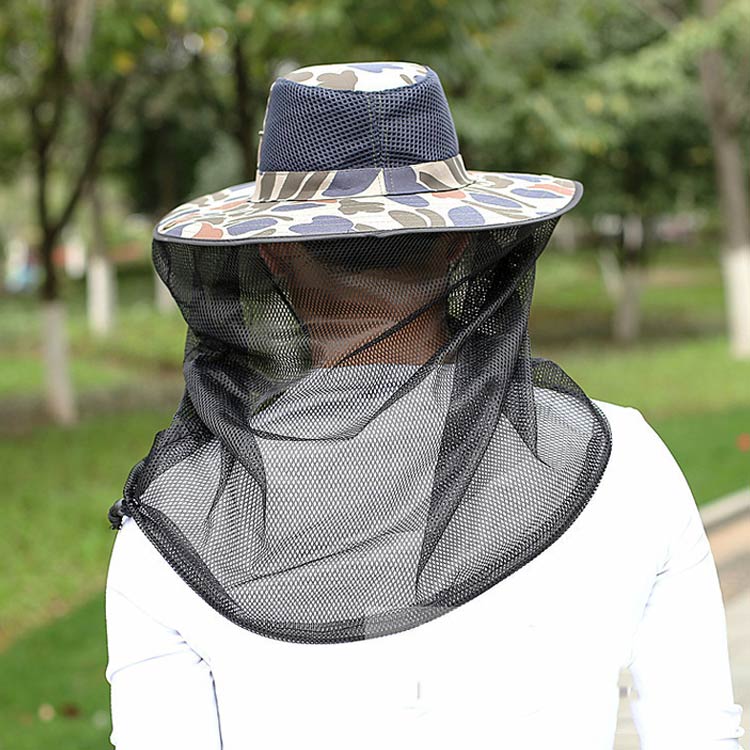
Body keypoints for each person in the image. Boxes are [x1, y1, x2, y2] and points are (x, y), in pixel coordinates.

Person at [104, 61, 745, 749]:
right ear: (462, 241)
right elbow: (700, 734)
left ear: (272, 256)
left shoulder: (173, 532)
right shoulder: (631, 466)